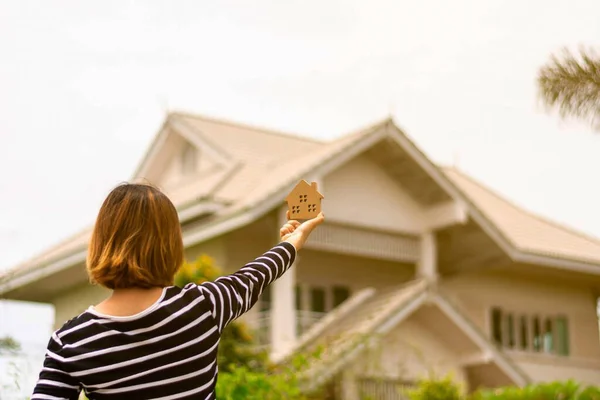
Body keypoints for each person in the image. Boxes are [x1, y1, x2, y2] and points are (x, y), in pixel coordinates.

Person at [31, 182, 324, 400]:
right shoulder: (204, 307)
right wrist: (292, 241)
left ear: (101, 242)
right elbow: (256, 274)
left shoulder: (70, 342)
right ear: (170, 244)